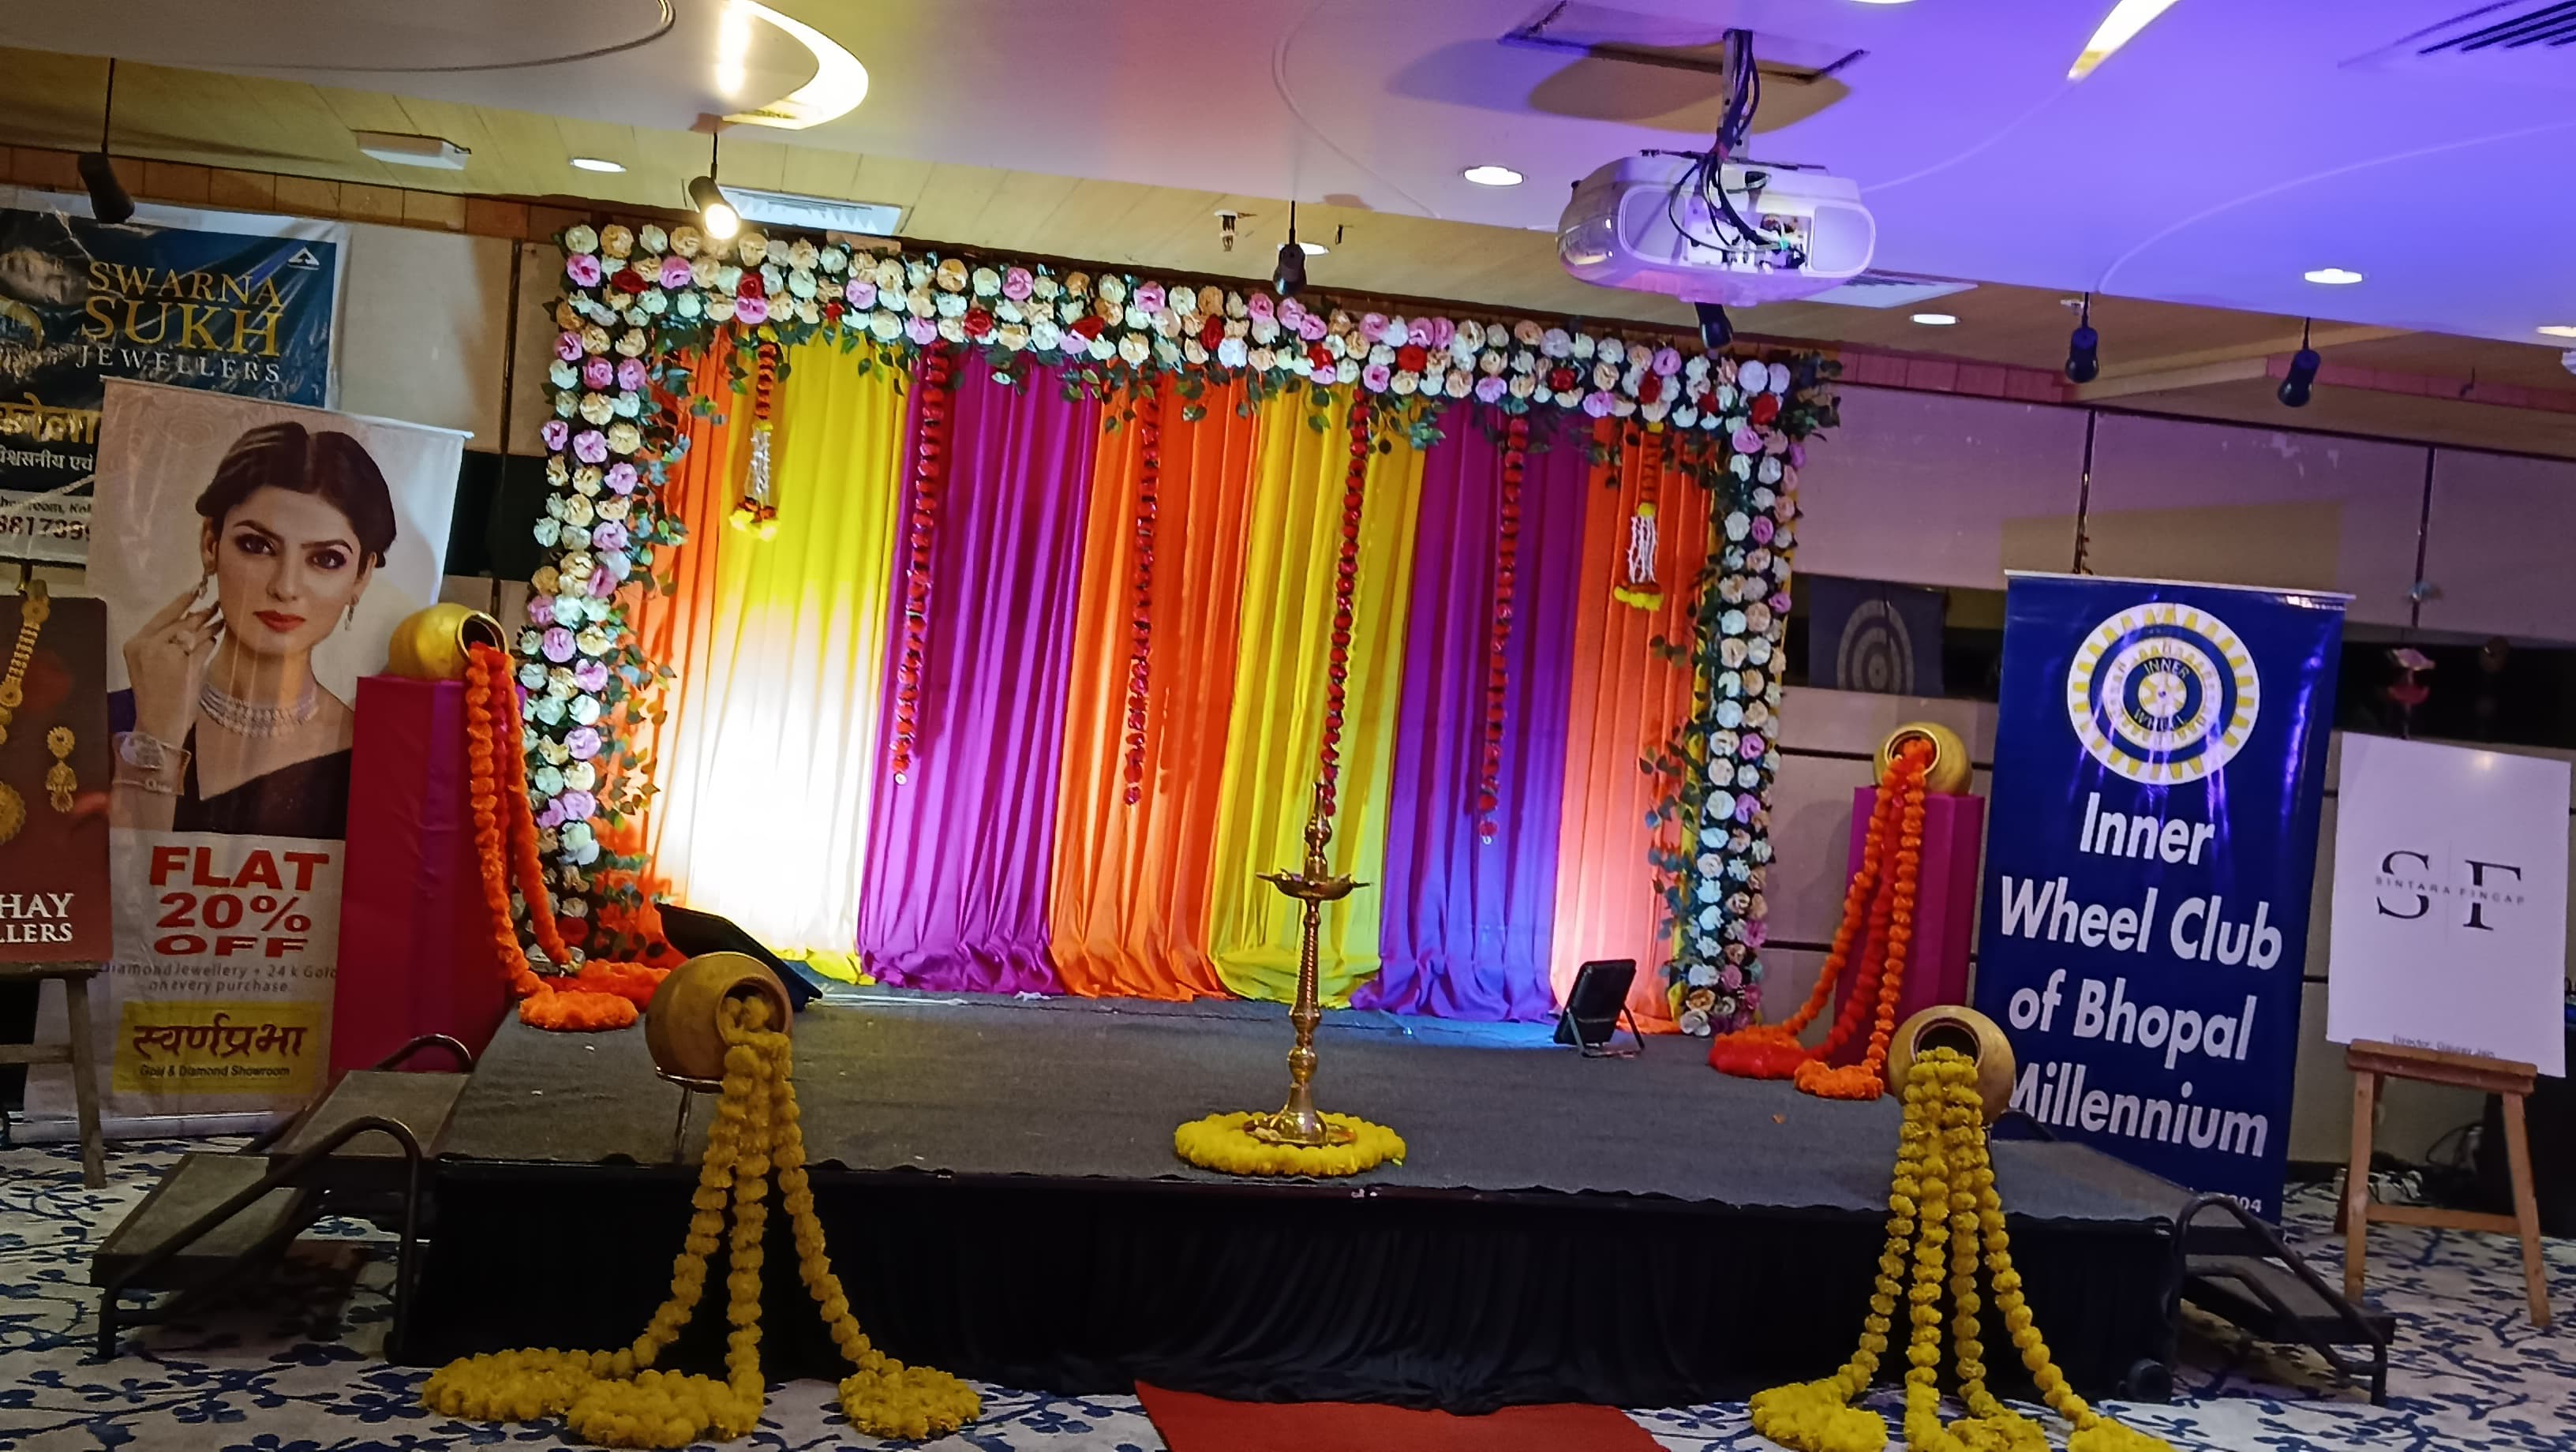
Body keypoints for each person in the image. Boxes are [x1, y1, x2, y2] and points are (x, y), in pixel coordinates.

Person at [110, 421, 397, 839]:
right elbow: (114, 877)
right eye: (258, 546)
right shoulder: (113, 720)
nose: (285, 587)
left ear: (362, 575)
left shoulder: (375, 760)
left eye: (326, 560)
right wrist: (155, 734)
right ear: (211, 543)